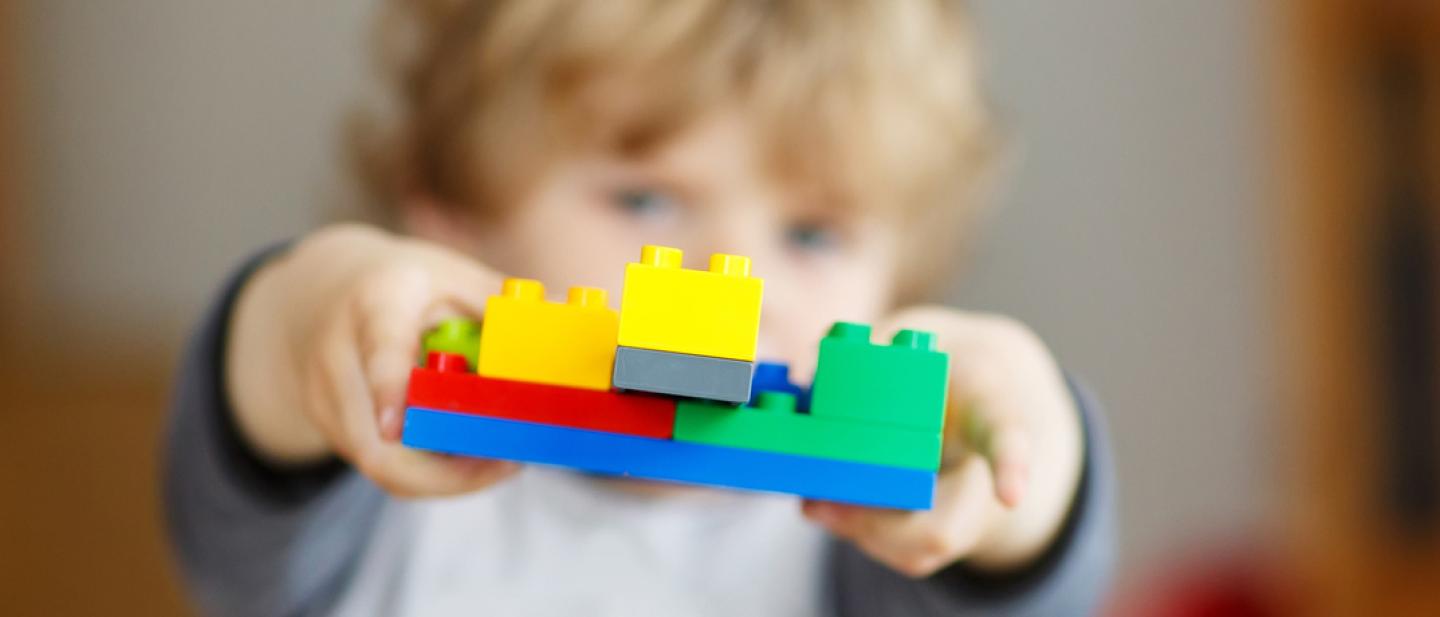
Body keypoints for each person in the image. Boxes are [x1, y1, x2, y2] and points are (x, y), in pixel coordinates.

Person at [165, 1, 1115, 614]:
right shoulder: (373, 476)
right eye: (644, 200)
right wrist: (327, 303)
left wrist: (1016, 441)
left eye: (814, 235)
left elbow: (1025, 579)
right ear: (454, 232)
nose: (732, 279)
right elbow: (260, 408)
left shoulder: (859, 543)